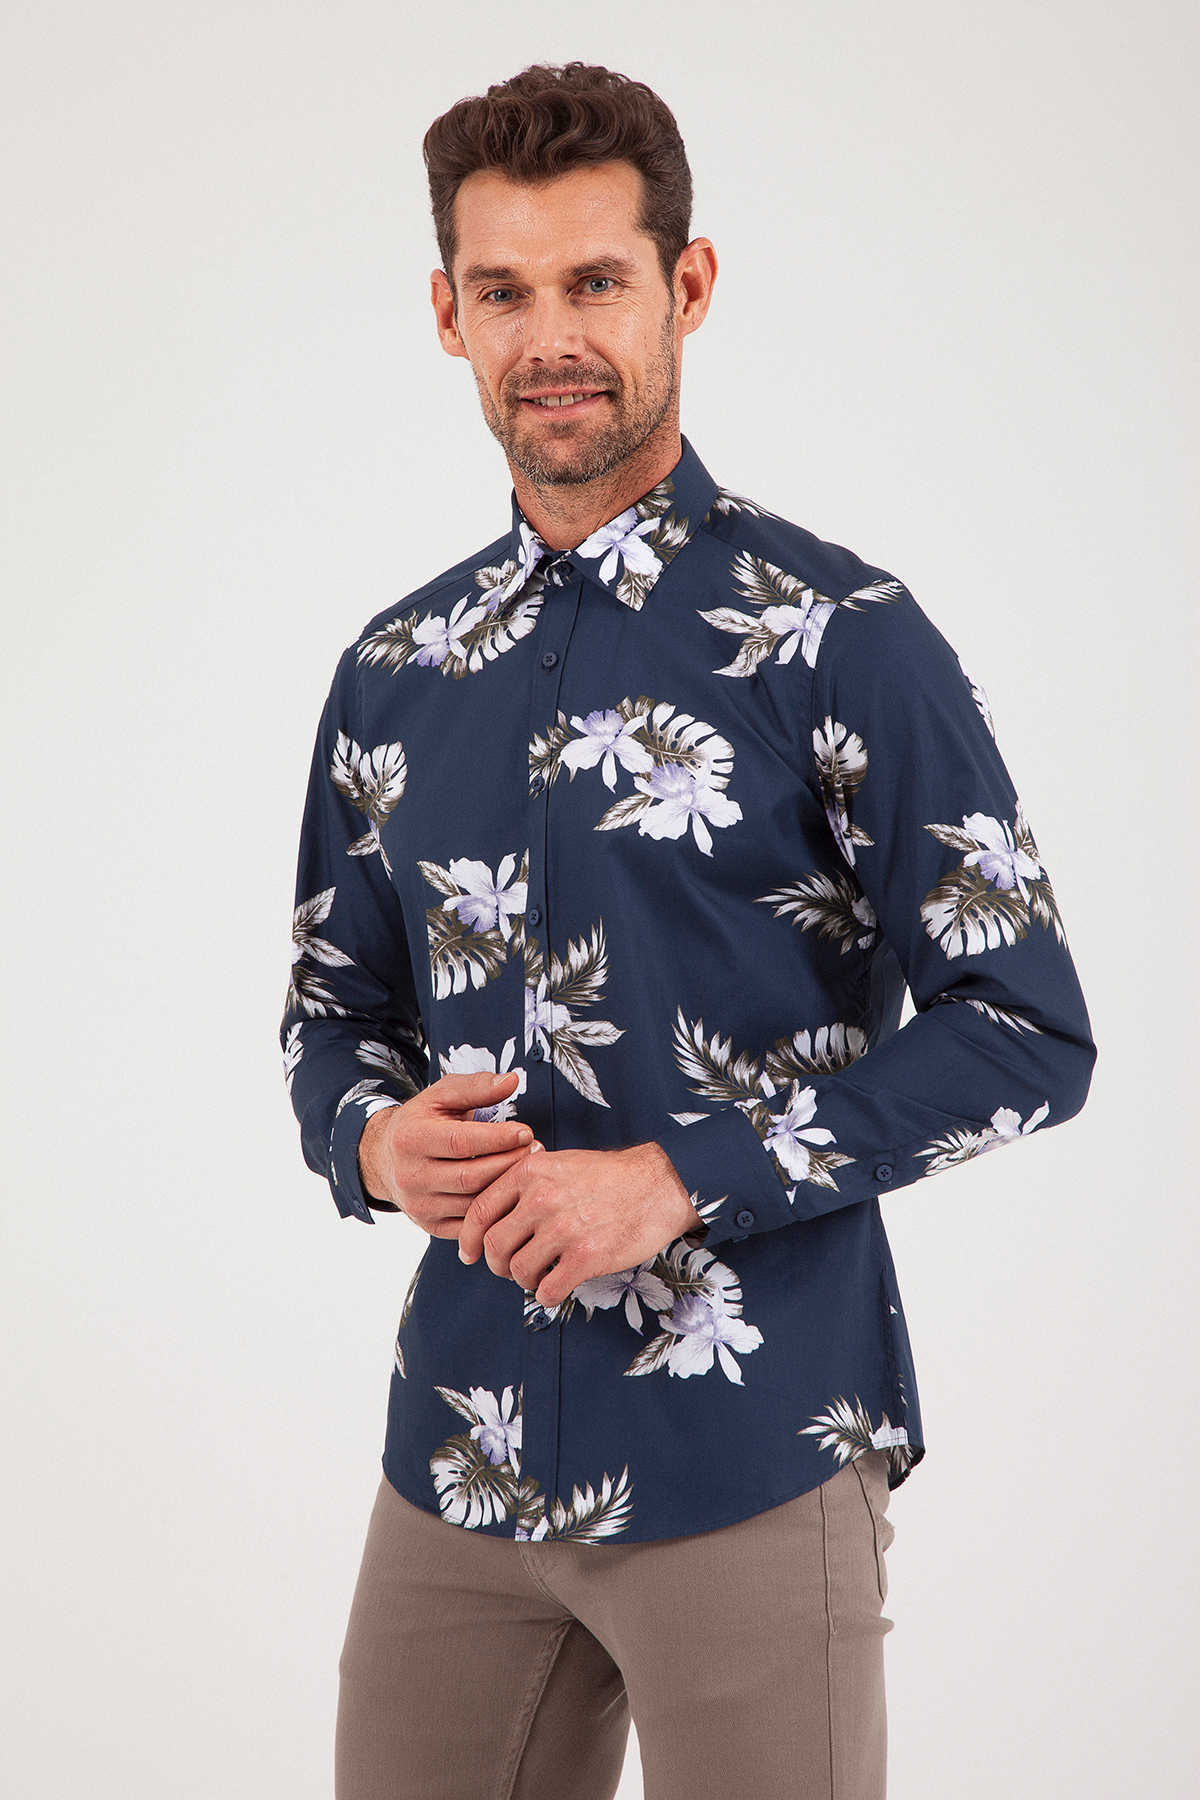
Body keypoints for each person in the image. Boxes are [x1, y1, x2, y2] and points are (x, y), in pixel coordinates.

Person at [279, 59, 1097, 1800]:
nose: (552, 338)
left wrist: (674, 1178)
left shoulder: (840, 635)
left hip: (753, 1449)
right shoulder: (394, 670)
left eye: (596, 281)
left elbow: (1026, 1032)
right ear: (448, 315)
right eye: (505, 291)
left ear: (688, 286)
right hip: (460, 1457)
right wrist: (375, 1143)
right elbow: (333, 1011)